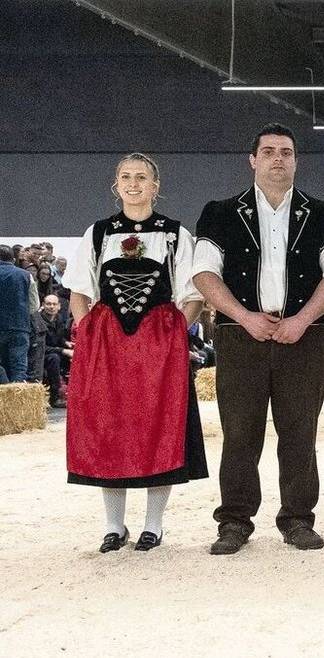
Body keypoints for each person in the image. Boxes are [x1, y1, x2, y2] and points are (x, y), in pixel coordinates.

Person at [193, 123, 324, 555]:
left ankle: (298, 518)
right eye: (268, 151)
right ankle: (235, 521)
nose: (277, 159)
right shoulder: (219, 212)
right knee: (240, 431)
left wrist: (302, 319)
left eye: (286, 151)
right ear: (253, 160)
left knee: (300, 430)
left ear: (296, 160)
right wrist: (245, 316)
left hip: (305, 337)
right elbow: (204, 273)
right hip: (239, 337)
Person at [65, 153, 208, 552]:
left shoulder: (176, 234)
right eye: (125, 177)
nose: (133, 184)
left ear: (155, 185)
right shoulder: (98, 232)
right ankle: (114, 525)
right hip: (108, 345)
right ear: (116, 184)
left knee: (158, 424)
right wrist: (87, 331)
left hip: (159, 344)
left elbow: (193, 293)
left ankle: (153, 525)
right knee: (108, 426)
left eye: (141, 177)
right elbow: (79, 290)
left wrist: (179, 329)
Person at [0, 245, 35, 384]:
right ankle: (17, 403)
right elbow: (34, 305)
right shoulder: (26, 275)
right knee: (19, 367)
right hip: (19, 326)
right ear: (13, 259)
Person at [35, 294, 72, 406]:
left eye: (54, 304)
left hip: (56, 350)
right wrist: (63, 350)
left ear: (59, 306)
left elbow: (58, 337)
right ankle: (55, 397)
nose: (51, 307)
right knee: (54, 359)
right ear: (43, 305)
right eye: (48, 304)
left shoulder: (59, 319)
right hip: (42, 355)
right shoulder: (38, 321)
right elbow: (42, 346)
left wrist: (66, 343)